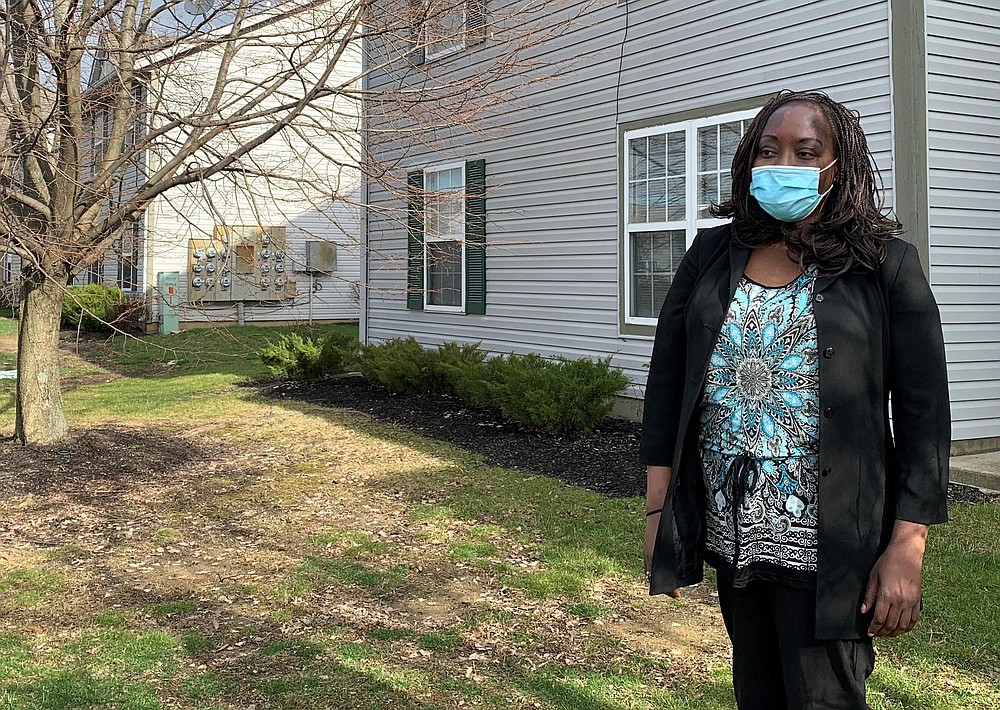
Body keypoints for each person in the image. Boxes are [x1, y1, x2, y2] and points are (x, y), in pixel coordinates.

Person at [639, 90, 951, 710]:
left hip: (830, 542)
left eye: (806, 152)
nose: (783, 163)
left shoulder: (884, 264)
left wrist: (906, 545)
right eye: (769, 149)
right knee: (755, 691)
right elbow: (668, 384)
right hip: (734, 536)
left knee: (822, 697)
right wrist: (659, 515)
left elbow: (925, 414)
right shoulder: (712, 254)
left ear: (838, 166)